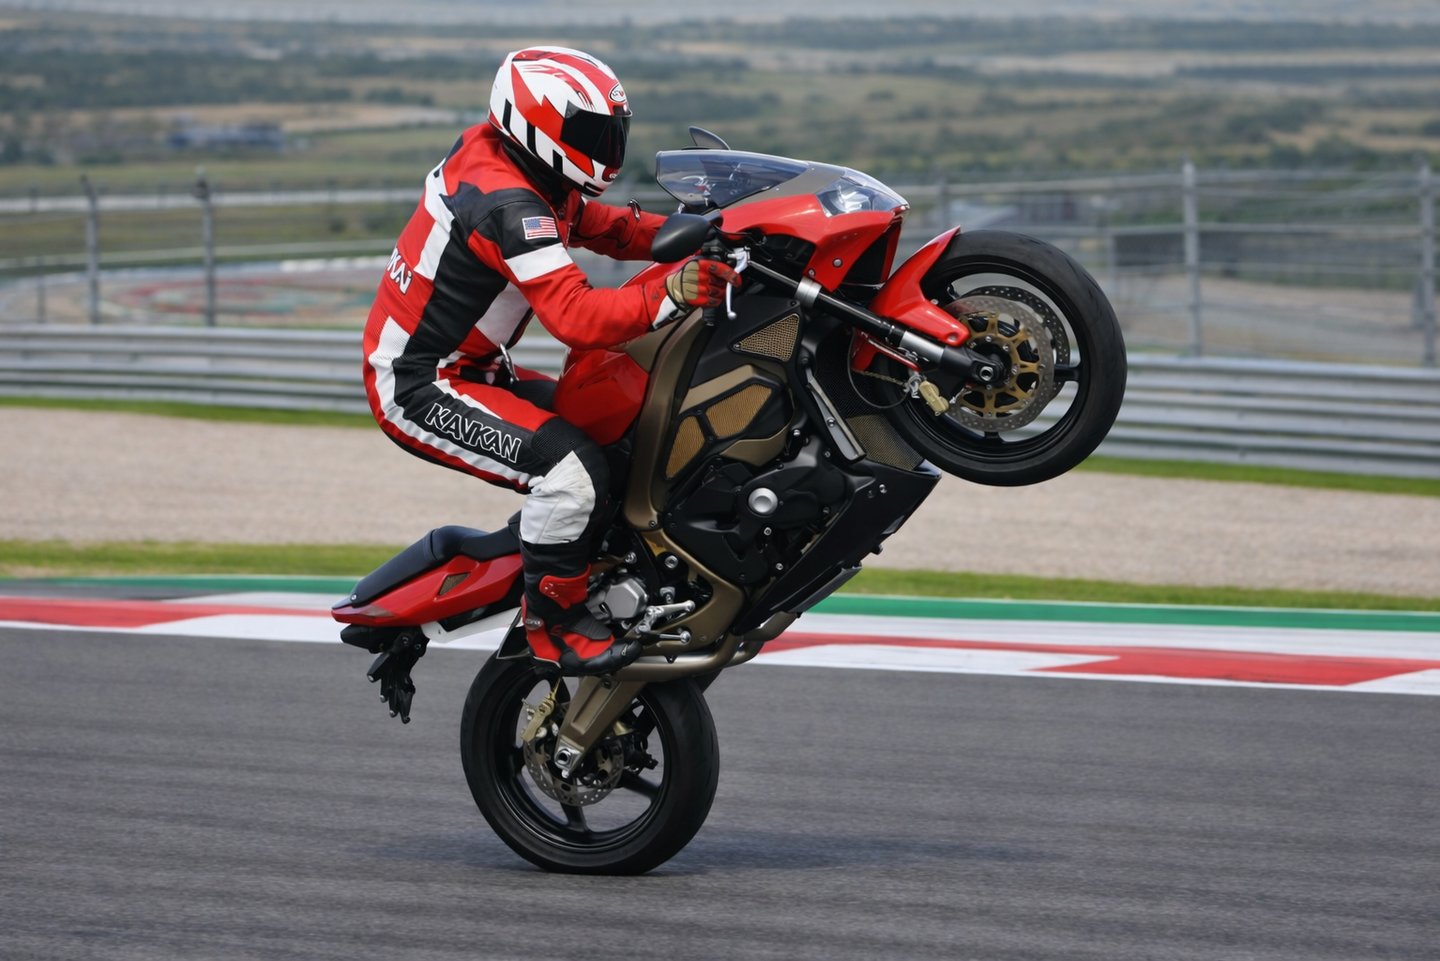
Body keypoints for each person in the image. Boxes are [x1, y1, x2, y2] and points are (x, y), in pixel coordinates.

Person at [362, 46, 738, 675]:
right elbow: (576, 317)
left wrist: (712, 228)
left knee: (614, 432)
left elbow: (609, 228)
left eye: (613, 131)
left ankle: (585, 569)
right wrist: (671, 291)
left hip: (474, 370)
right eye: (594, 134)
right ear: (538, 124)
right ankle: (553, 627)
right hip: (419, 385)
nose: (608, 148)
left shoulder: (522, 165)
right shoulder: (508, 204)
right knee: (571, 473)